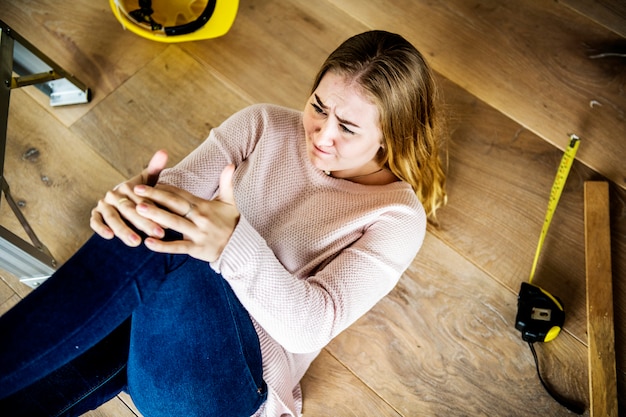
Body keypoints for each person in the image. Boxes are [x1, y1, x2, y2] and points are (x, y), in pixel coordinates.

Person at [0, 30, 446, 417]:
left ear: (392, 136)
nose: (321, 134)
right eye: (318, 106)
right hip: (152, 330)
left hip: (230, 381)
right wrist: (128, 205)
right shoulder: (263, 124)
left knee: (174, 238)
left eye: (347, 128)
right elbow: (175, 191)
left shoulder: (396, 217)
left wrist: (230, 242)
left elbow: (311, 326)